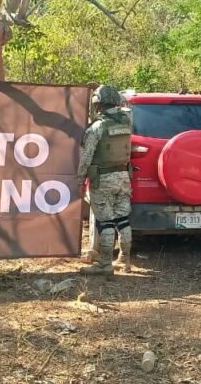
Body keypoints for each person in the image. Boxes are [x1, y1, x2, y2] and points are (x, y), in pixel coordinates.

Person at [77, 85, 133, 275]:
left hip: (103, 179)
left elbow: (86, 157)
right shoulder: (126, 121)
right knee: (123, 219)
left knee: (106, 222)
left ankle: (104, 265)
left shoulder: (97, 127)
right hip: (124, 177)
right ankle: (124, 259)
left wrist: (80, 181)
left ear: (97, 105)